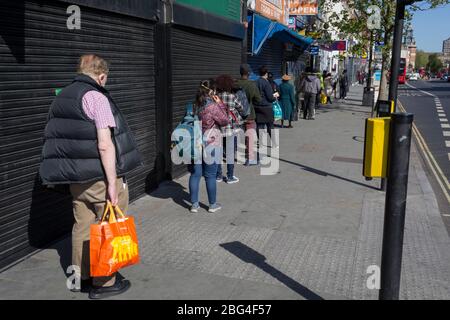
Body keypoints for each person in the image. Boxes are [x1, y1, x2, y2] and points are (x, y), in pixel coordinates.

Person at [39, 54, 142, 299]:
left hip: (75, 179)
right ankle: (104, 282)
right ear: (101, 75)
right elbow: (105, 144)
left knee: (82, 226)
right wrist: (112, 184)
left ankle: (81, 278)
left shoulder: (62, 96)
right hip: (98, 176)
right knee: (107, 224)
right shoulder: (97, 97)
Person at [189, 80, 230, 213]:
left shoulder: (194, 105)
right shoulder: (212, 106)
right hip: (211, 143)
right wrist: (220, 104)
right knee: (210, 176)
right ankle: (212, 205)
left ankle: (194, 205)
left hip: (196, 143)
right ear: (211, 90)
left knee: (195, 174)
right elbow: (225, 121)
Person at [214, 74, 245, 184]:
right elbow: (241, 107)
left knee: (218, 152)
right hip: (230, 128)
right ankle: (230, 176)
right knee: (230, 153)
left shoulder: (215, 96)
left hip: (218, 127)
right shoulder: (232, 96)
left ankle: (218, 176)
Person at [236, 64, 261, 166]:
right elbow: (258, 99)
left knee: (238, 135)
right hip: (249, 114)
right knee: (250, 136)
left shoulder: (235, 83)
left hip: (236, 115)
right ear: (249, 73)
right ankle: (250, 158)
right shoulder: (252, 84)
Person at [255, 66, 279, 148]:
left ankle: (261, 143)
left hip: (257, 106)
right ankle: (274, 143)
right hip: (267, 107)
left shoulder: (256, 82)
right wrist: (274, 97)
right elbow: (270, 97)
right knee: (270, 126)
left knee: (259, 126)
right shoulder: (266, 83)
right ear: (266, 73)